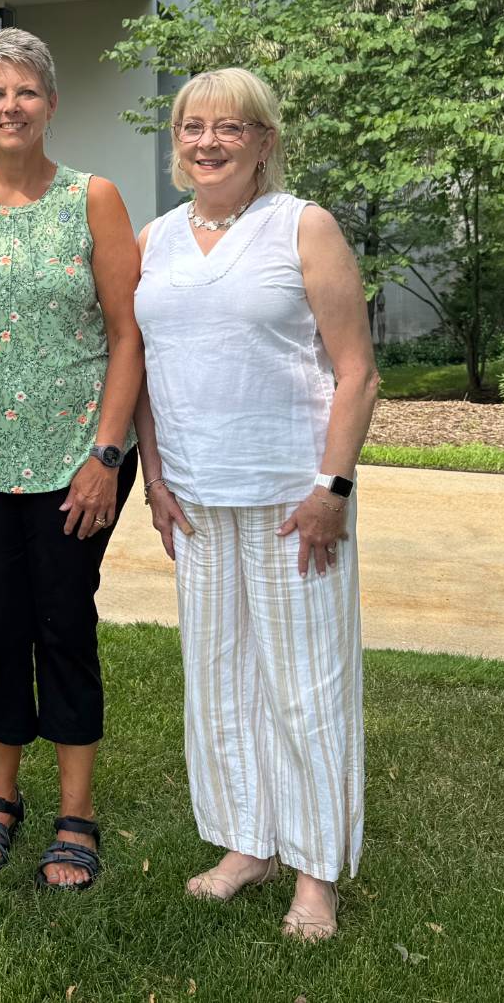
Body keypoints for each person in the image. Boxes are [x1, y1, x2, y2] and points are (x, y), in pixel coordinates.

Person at [133, 67, 379, 942]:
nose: (208, 142)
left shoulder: (302, 226)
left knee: (305, 686)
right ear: (176, 141)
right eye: (192, 126)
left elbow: (357, 371)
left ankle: (315, 873)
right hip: (196, 499)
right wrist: (155, 480)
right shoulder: (155, 238)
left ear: (264, 141)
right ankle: (248, 844)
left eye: (230, 127)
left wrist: (331, 490)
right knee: (220, 681)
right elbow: (143, 372)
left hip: (291, 499)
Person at [0, 27, 142, 892]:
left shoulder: (94, 199)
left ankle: (75, 815)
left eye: (27, 91)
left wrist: (106, 454)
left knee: (64, 626)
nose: (12, 107)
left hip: (76, 462)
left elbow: (127, 334)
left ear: (51, 104)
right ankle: (0, 801)